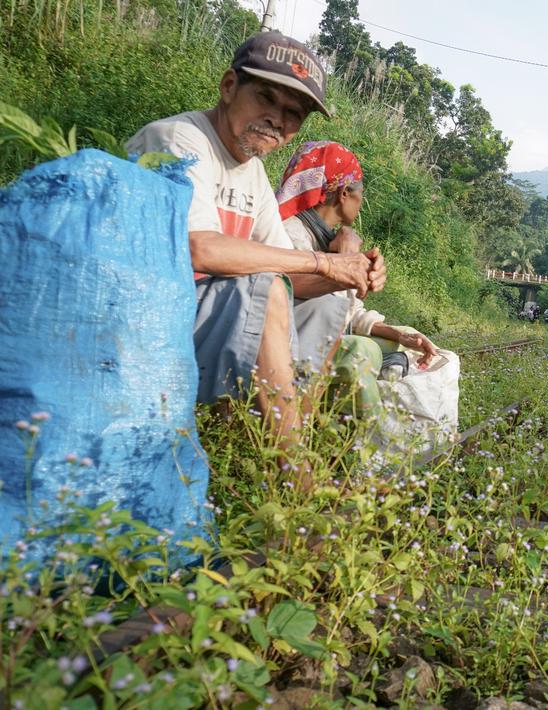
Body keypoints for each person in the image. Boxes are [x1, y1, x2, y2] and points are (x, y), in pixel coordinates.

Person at [125, 32, 384, 484]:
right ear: (228, 87)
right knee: (268, 291)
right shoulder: (178, 139)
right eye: (266, 98)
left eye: (292, 114)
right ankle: (297, 482)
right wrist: (324, 263)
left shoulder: (253, 174)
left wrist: (347, 275)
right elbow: (198, 247)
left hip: (202, 320)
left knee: (324, 300)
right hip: (152, 320)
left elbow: (289, 271)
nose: (276, 120)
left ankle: (273, 442)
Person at [277, 141, 457, 441]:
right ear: (344, 193)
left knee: (400, 341)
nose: (361, 203)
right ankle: (369, 447)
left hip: (327, 333)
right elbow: (290, 288)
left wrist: (400, 335)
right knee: (364, 351)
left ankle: (369, 412)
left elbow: (350, 312)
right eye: (360, 194)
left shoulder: (328, 238)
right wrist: (342, 263)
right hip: (295, 341)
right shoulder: (289, 232)